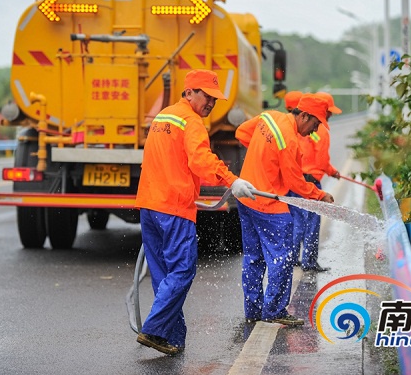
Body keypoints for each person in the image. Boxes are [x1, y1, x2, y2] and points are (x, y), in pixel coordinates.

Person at [135, 69, 256, 355]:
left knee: (164, 275)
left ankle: (172, 337)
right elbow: (201, 161)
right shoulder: (191, 121)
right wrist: (232, 180)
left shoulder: (163, 117)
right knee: (182, 271)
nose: (212, 103)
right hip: (173, 208)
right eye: (207, 96)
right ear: (189, 92)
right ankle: (153, 329)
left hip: (150, 205)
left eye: (215, 98)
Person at [235, 93, 335, 326]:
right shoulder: (289, 140)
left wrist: (263, 153)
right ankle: (275, 310)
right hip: (268, 204)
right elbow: (295, 183)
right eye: (315, 123)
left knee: (253, 257)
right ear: (304, 115)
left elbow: (241, 133)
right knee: (283, 257)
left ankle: (253, 310)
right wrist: (319, 194)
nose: (314, 130)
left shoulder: (269, 117)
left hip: (246, 197)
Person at [284, 91, 342, 272]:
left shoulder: (296, 126)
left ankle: (292, 257)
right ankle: (309, 261)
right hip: (310, 183)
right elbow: (322, 160)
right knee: (311, 224)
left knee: (295, 220)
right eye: (329, 111)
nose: (330, 115)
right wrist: (332, 171)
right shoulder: (321, 131)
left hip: (296, 180)